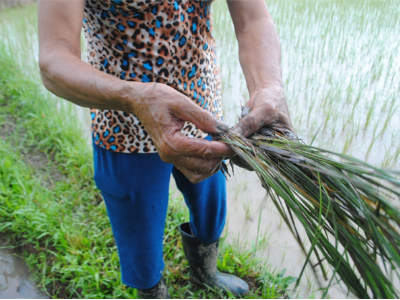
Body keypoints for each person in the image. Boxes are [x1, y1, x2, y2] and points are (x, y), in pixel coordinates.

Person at [38, 0, 293, 298]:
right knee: (138, 229)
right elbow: (54, 57)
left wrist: (268, 86)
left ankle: (205, 272)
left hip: (202, 109)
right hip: (124, 121)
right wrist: (133, 96)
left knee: (210, 206)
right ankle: (152, 292)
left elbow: (253, 18)